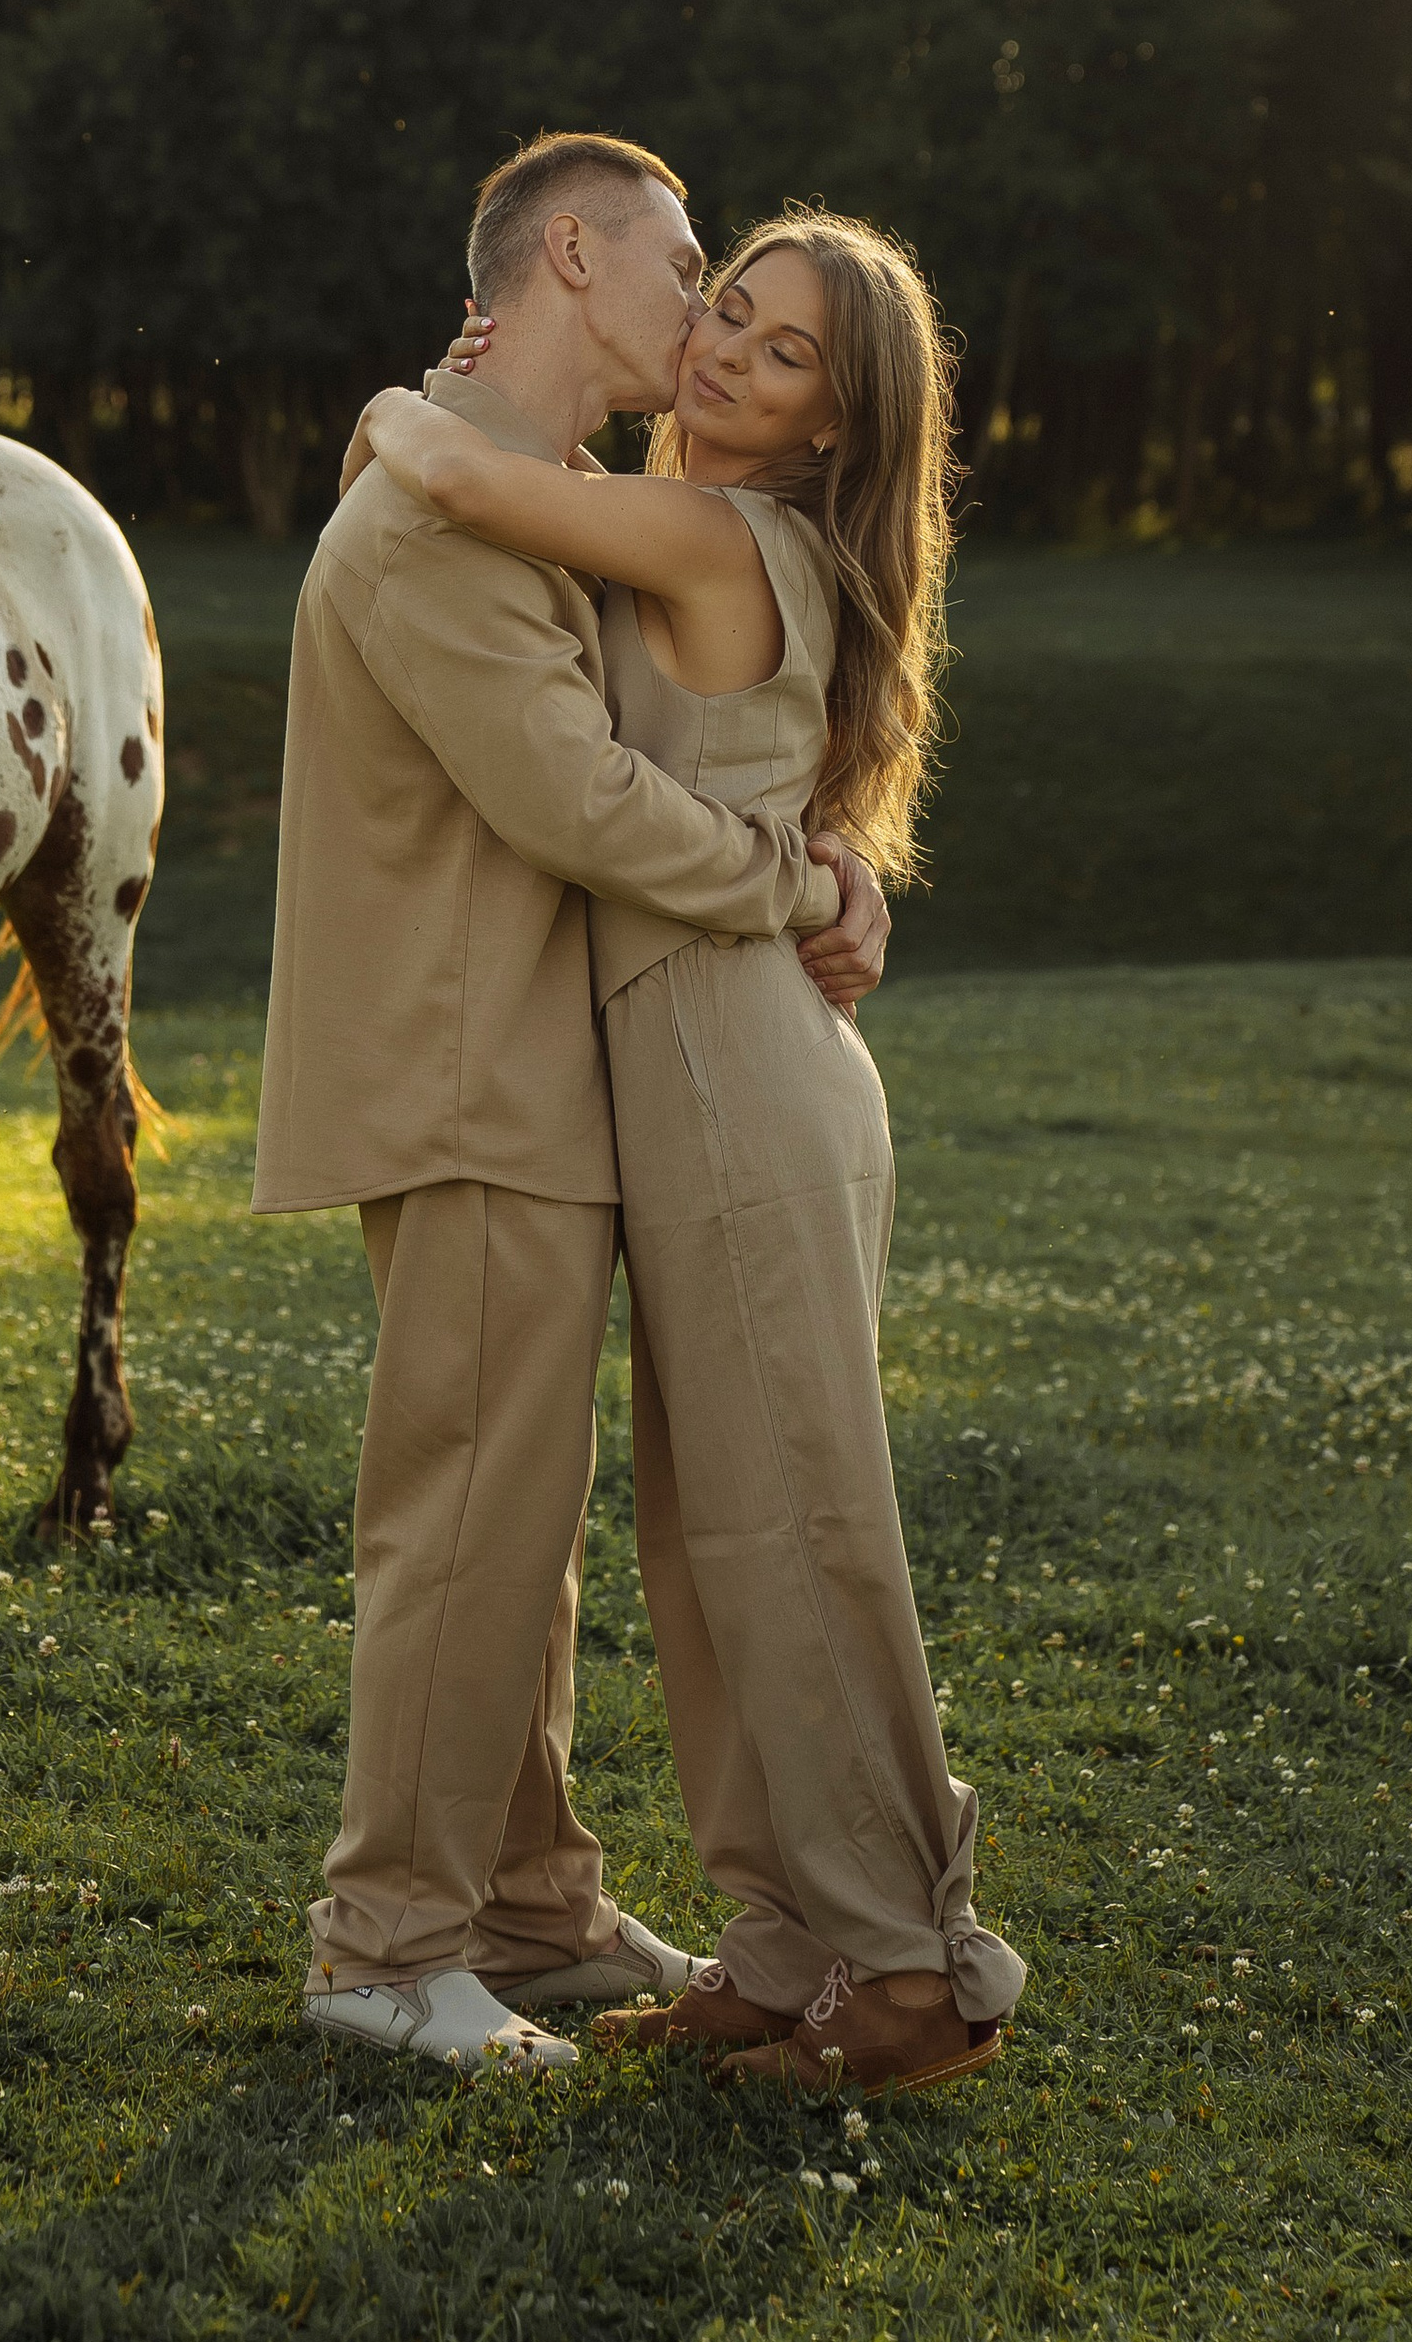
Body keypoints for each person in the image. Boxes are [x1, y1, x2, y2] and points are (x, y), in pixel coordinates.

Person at [347, 207, 1024, 2098]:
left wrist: (425, 397)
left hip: (733, 1063)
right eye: (727, 309)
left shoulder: (715, 530)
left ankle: (908, 1969)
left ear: (828, 427)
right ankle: (788, 1945)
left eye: (784, 352)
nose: (726, 354)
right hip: (716, 1051)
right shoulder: (705, 535)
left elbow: (456, 476)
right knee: (709, 1531)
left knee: (791, 1521)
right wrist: (841, 876)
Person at [253, 133, 889, 2078]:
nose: (703, 309)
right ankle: (384, 1947)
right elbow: (568, 798)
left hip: (536, 1072)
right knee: (459, 1527)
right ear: (573, 253)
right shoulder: (449, 511)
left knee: (513, 1525)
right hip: (470, 1077)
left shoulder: (531, 493)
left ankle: (525, 1903)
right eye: (686, 263)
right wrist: (795, 885)